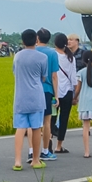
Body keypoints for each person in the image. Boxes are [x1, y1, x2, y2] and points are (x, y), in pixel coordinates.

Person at [12, 30, 51, 171]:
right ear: (36, 40)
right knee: (36, 128)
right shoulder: (42, 57)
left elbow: (15, 72)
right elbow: (44, 77)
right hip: (36, 96)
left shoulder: (17, 56)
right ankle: (35, 159)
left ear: (22, 41)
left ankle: (17, 161)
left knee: (20, 128)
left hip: (20, 97)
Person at [34, 28, 60, 161]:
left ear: (37, 38)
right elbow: (54, 76)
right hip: (47, 90)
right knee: (47, 121)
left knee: (33, 122)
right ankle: (45, 151)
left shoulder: (32, 50)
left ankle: (32, 152)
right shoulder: (52, 53)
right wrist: (57, 95)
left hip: (33, 90)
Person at [53, 33, 77, 154]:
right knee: (64, 119)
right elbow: (74, 78)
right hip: (67, 92)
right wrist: (75, 95)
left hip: (54, 92)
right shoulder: (70, 57)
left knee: (51, 119)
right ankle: (59, 146)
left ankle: (47, 146)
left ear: (54, 43)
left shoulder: (52, 55)